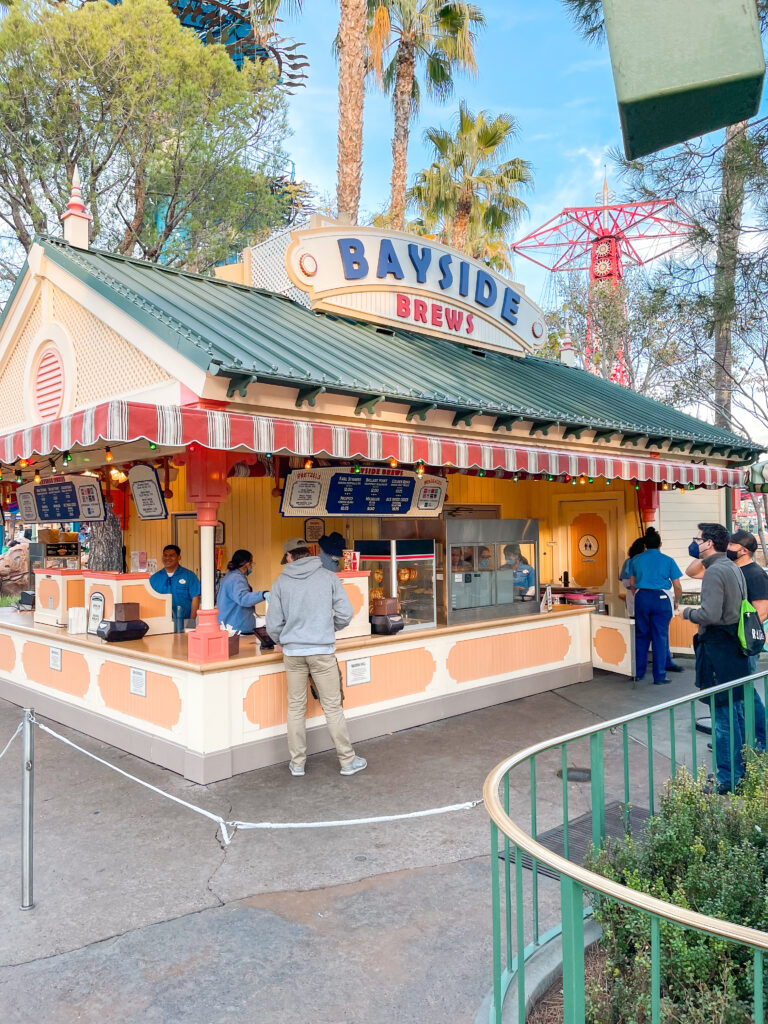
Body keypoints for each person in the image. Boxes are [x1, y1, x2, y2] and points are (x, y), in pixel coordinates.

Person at [266, 537, 366, 778]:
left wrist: (282, 640)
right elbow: (345, 613)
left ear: (289, 556)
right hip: (322, 652)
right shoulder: (328, 577)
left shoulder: (280, 583)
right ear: (309, 553)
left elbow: (272, 624)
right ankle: (347, 761)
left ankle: (297, 763)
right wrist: (325, 628)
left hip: (293, 654)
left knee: (296, 708)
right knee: (332, 707)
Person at [677, 523, 749, 793]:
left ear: (708, 543)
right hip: (734, 650)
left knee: (723, 719)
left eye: (697, 539)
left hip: (719, 650)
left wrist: (686, 612)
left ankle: (727, 779)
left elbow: (709, 614)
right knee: (736, 713)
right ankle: (739, 771)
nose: (694, 543)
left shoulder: (715, 571)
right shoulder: (732, 567)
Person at [727, 529, 768, 748]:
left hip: (744, 644)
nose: (727, 548)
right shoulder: (731, 570)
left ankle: (762, 739)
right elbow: (694, 571)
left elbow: (762, 610)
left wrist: (741, 636)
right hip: (732, 643)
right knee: (737, 695)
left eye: (731, 545)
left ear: (743, 550)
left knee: (746, 693)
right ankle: (739, 739)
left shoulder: (755, 574)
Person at [630, 528, 683, 684]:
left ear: (645, 545)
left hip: (641, 597)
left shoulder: (636, 560)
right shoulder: (668, 560)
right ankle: (659, 676)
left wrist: (638, 595)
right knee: (660, 637)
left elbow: (632, 583)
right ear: (660, 544)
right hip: (661, 597)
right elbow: (677, 586)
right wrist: (677, 600)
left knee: (641, 635)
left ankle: (638, 673)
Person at [149, 544, 201, 631]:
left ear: (179, 557)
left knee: (183, 644)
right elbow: (150, 600)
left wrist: (191, 621)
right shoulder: (154, 578)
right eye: (165, 555)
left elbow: (195, 598)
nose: (167, 558)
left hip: (184, 622)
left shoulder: (189, 576)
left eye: (171, 555)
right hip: (160, 623)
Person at [216, 549, 268, 634]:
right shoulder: (236, 579)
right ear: (247, 564)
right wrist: (263, 594)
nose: (251, 566)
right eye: (251, 563)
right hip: (237, 630)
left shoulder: (230, 576)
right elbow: (243, 599)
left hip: (231, 627)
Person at [619, 536, 646, 618]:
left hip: (646, 597)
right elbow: (625, 582)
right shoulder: (629, 562)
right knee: (635, 623)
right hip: (633, 595)